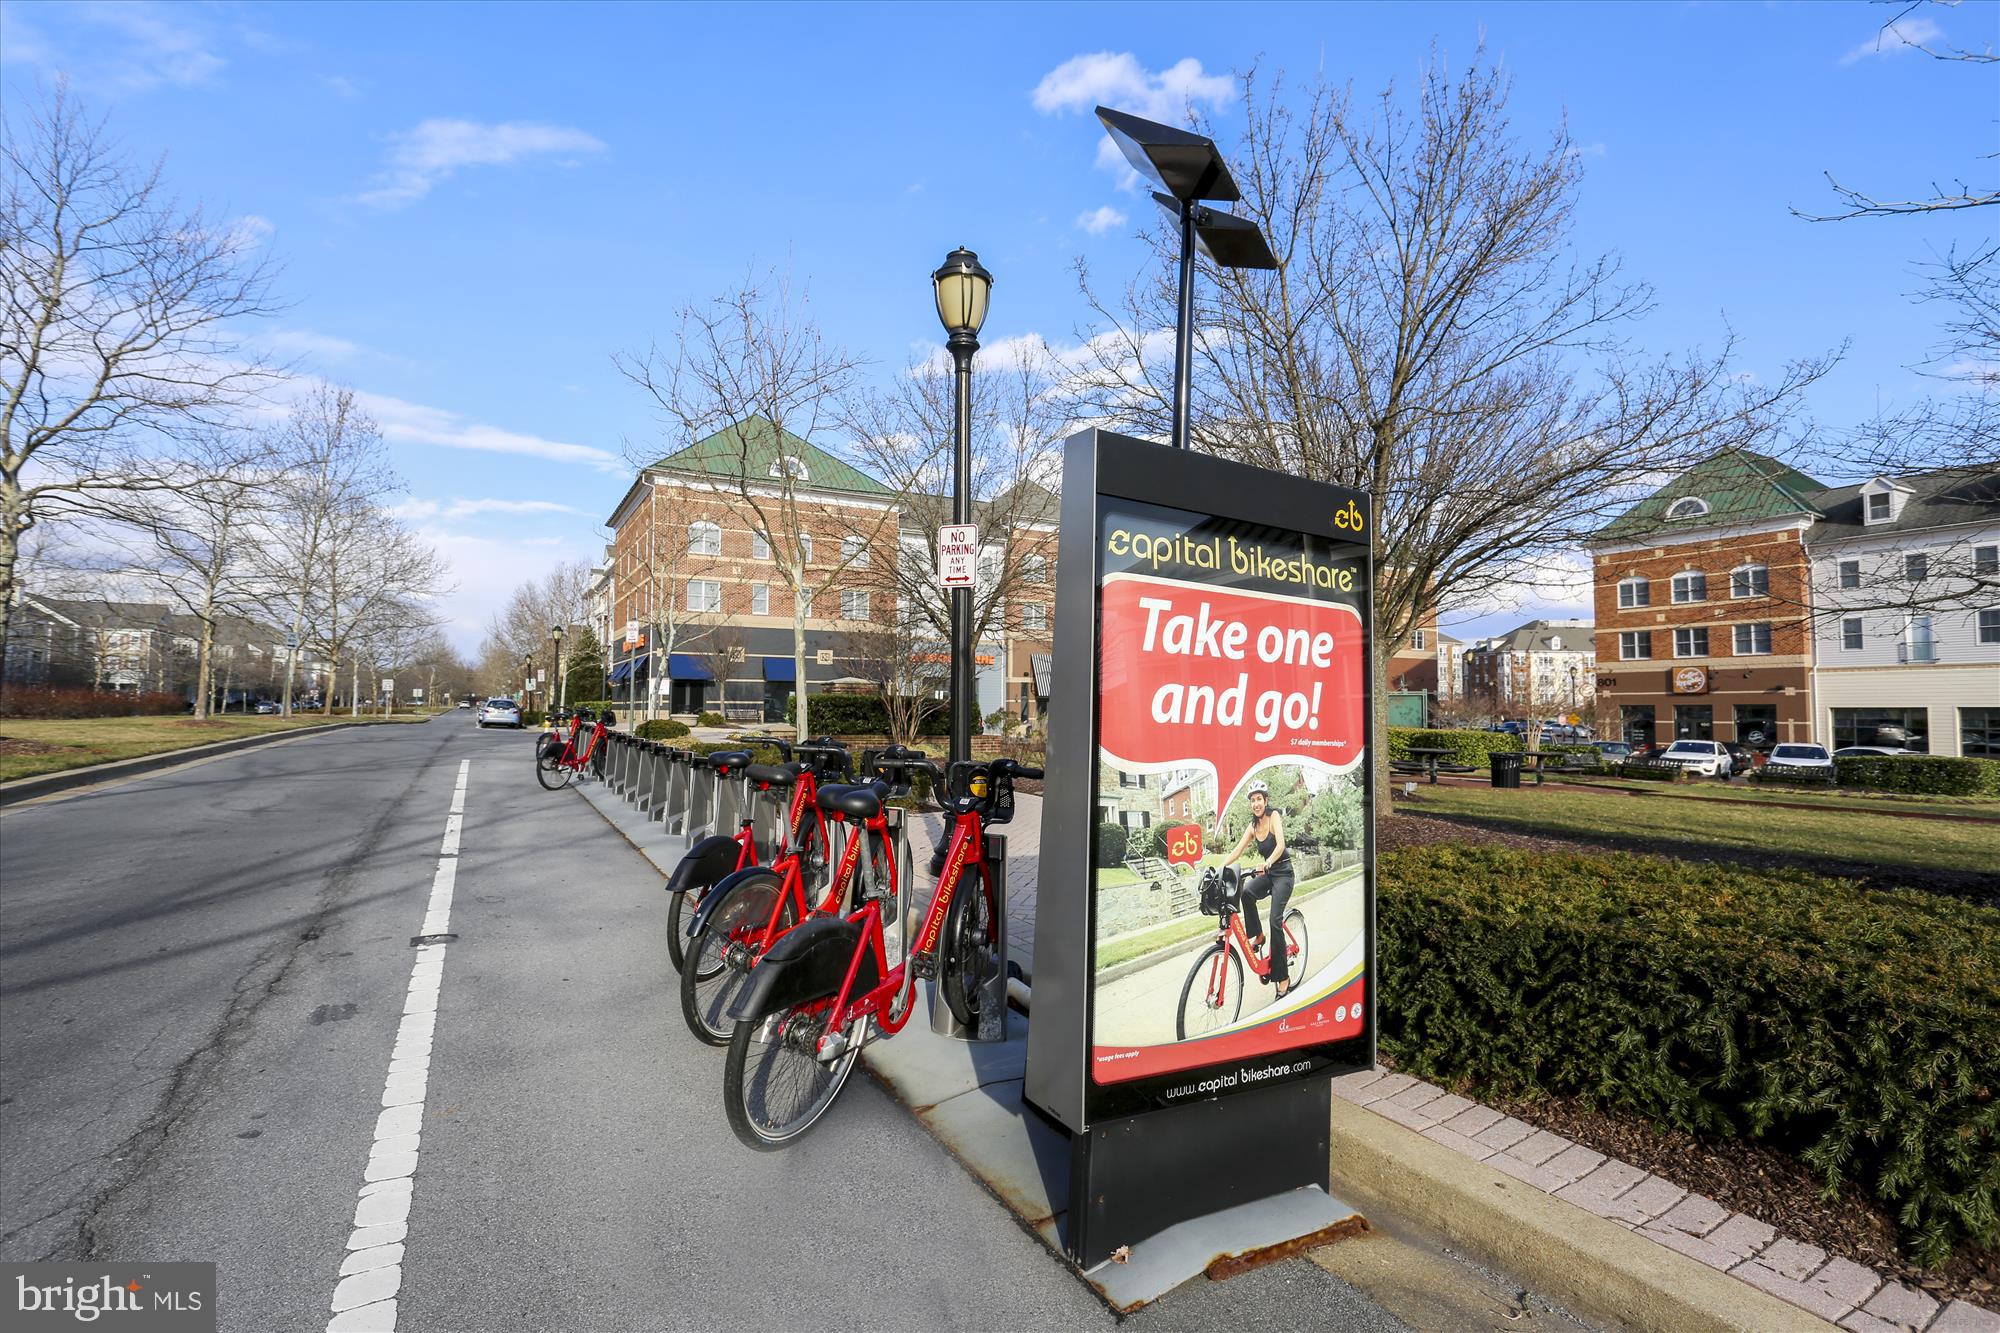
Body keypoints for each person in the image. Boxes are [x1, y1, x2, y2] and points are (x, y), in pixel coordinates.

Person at [1220, 780, 1297, 996]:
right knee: (1246, 892)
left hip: (1283, 873)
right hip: (1268, 873)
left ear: (1266, 800)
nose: (1256, 803)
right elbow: (1237, 850)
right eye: (1253, 800)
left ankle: (1283, 977)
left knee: (1275, 920)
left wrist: (1268, 862)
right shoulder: (1252, 827)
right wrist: (1220, 867)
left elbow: (1281, 845)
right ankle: (1258, 935)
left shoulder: (1274, 817)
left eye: (1259, 799)